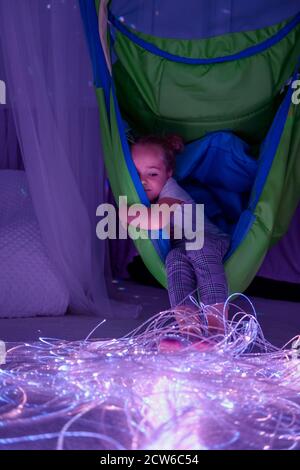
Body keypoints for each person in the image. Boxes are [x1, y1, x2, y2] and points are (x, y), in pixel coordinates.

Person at [119, 134, 231, 341]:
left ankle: (218, 330)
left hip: (210, 239)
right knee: (174, 260)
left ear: (168, 174)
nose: (143, 181)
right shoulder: (146, 197)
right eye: (136, 175)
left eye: (152, 174)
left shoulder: (172, 191)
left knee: (199, 248)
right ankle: (190, 331)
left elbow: (155, 221)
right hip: (183, 247)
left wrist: (124, 213)